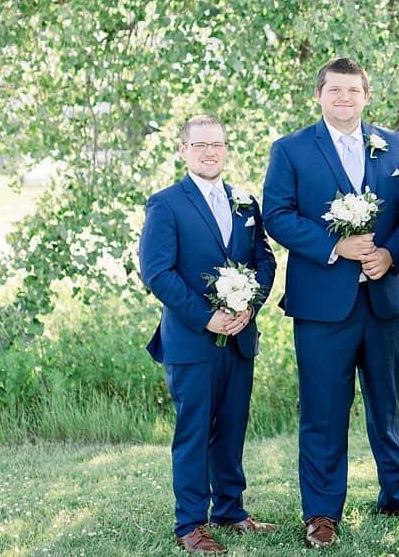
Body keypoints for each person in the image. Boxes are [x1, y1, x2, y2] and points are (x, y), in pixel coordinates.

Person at [262, 57, 399, 548]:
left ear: (366, 96)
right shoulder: (291, 150)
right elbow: (277, 215)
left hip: (386, 297)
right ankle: (321, 512)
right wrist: (335, 246)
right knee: (323, 409)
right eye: (334, 90)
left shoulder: (397, 146)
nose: (344, 98)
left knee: (387, 403)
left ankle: (398, 493)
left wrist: (389, 254)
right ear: (319, 95)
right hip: (322, 304)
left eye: (353, 90)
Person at [139, 114, 278, 554]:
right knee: (194, 434)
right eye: (199, 145)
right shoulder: (165, 204)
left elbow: (265, 261)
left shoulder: (245, 202)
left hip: (239, 337)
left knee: (232, 429)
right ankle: (190, 525)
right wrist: (206, 317)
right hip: (192, 341)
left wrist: (249, 306)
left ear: (226, 149)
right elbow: (157, 272)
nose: (209, 152)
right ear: (183, 150)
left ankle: (231, 512)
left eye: (217, 144)